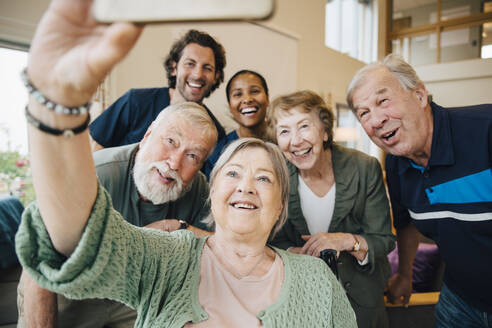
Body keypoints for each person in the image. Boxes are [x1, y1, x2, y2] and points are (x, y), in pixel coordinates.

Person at [15, 1, 357, 327]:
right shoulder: (168, 259)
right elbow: (79, 237)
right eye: (234, 173)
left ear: (282, 203)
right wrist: (56, 104)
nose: (246, 186)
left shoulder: (318, 282)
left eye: (265, 179)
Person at [19, 102, 217, 328]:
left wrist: (173, 226)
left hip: (135, 294)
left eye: (192, 156)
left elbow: (220, 250)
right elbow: (36, 260)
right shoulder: (93, 175)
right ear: (148, 135)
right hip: (68, 287)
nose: (174, 163)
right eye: (171, 141)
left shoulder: (199, 189)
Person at [346, 54, 492, 327]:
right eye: (364, 113)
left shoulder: (485, 129)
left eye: (383, 101)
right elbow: (406, 223)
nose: (376, 120)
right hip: (459, 299)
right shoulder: (396, 163)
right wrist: (404, 274)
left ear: (420, 96)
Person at [268, 90, 395, 328]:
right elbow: (267, 241)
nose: (295, 141)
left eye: (304, 126)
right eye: (284, 131)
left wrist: (346, 241)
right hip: (300, 303)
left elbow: (384, 240)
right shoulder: (276, 174)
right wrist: (292, 253)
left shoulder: (364, 167)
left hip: (361, 302)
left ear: (325, 131)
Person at [89, 29, 227, 152]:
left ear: (216, 77)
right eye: (190, 64)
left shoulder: (216, 134)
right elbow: (94, 145)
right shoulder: (136, 101)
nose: (198, 74)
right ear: (174, 67)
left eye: (207, 68)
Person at [204, 70, 270, 178]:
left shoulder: (286, 142)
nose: (247, 99)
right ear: (230, 106)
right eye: (238, 94)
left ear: (267, 98)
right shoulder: (218, 153)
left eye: (254, 91)